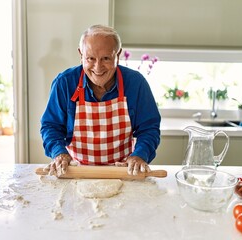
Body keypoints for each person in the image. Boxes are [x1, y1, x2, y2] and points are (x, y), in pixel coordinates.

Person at [40, 24, 160, 176]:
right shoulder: (64, 83)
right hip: (76, 171)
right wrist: (59, 153)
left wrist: (139, 155)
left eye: (106, 58)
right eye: (90, 58)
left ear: (118, 55)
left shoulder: (136, 83)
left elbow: (149, 128)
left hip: (123, 173)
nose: (98, 67)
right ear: (80, 54)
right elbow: (51, 126)